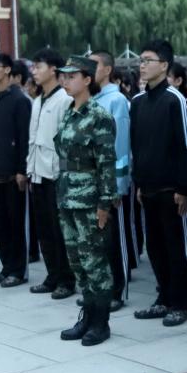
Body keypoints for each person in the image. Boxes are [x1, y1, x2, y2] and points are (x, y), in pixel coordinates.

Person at [54, 56, 117, 347]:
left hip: (90, 200)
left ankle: (101, 323)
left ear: (88, 80)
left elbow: (107, 164)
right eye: (63, 76)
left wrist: (105, 204)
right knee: (77, 262)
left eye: (71, 76)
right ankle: (87, 316)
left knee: (95, 262)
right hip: (67, 197)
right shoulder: (69, 112)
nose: (65, 81)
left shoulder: (99, 116)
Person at [131, 39, 187, 327]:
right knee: (154, 248)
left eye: (148, 60)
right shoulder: (137, 102)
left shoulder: (174, 100)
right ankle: (163, 297)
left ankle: (180, 303)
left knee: (175, 247)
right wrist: (138, 184)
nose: (142, 65)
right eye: (141, 60)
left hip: (171, 190)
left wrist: (182, 187)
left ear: (165, 65)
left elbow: (184, 146)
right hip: (147, 187)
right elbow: (137, 146)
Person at [0, 53, 32, 287]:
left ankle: (18, 271)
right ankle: (6, 267)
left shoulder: (19, 100)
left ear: (8, 70)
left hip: (13, 174)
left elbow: (24, 137)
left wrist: (22, 169)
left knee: (15, 224)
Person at [27, 49, 75, 298]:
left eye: (39, 66)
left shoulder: (64, 99)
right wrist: (29, 169)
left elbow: (67, 143)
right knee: (44, 229)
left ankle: (66, 280)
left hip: (56, 176)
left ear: (54, 69)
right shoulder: (38, 100)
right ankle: (52, 275)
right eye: (33, 66)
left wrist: (62, 175)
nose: (34, 71)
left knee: (59, 231)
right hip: (37, 173)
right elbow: (32, 139)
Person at [90, 50, 134, 311]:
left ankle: (117, 290)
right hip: (90, 182)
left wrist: (117, 185)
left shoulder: (116, 100)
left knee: (114, 240)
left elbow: (121, 146)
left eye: (94, 66)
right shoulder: (90, 98)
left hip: (109, 184)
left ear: (107, 70)